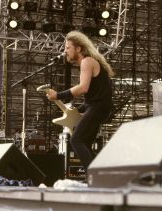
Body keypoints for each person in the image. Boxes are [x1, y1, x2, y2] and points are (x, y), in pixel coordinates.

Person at [46, 30, 114, 171]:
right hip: (98, 107)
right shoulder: (88, 62)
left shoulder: (86, 62)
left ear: (78, 48)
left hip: (98, 108)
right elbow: (93, 95)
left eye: (67, 48)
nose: (65, 51)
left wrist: (58, 95)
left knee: (76, 140)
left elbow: (83, 88)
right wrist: (79, 109)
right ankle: (101, 174)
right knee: (85, 144)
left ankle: (93, 177)